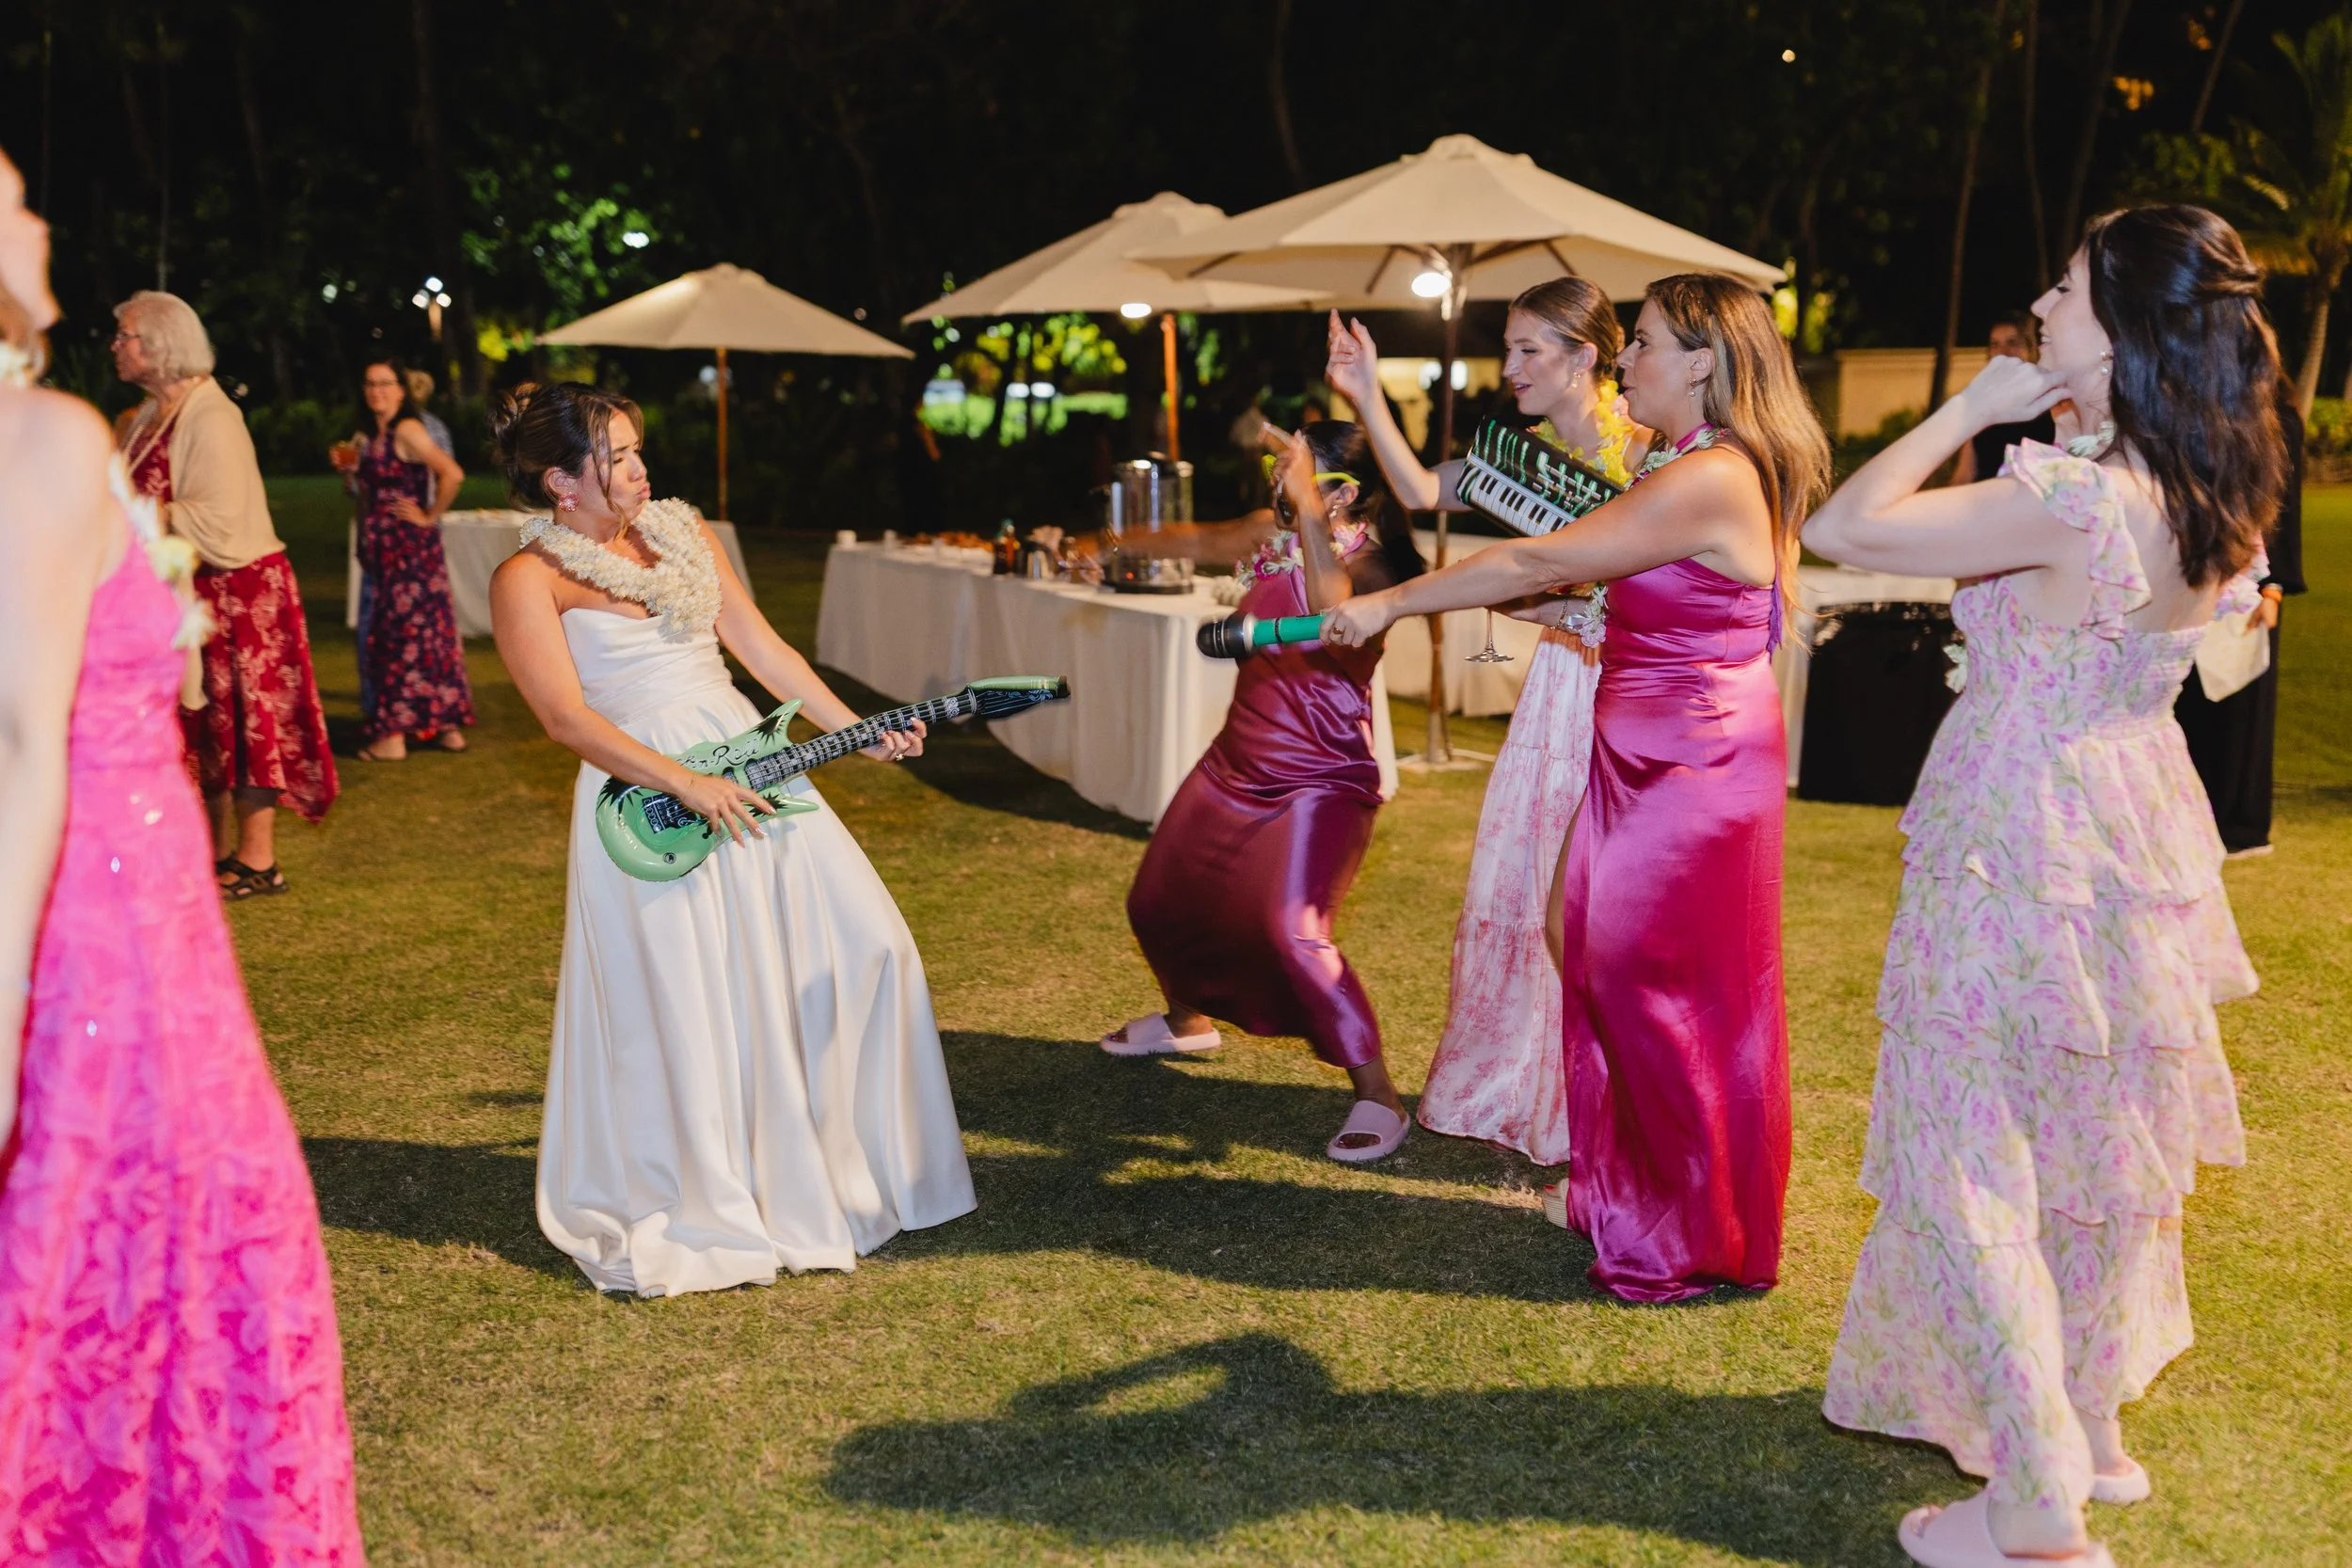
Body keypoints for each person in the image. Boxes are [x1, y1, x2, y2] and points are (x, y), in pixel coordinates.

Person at [1803, 206, 2281, 1568]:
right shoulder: (2206, 490)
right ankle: (2090, 1420)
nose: (2041, 303)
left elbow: (1848, 523)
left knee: (1970, 1158)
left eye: (2065, 289)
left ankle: (2035, 1502)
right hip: (2133, 828)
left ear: (2125, 328)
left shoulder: (2073, 494)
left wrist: (1973, 399)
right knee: (2092, 1130)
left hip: (2017, 830)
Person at [1325, 273, 1829, 1297]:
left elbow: (1536, 559)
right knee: (1583, 941)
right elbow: (1568, 579)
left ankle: (1682, 1218)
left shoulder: (1710, 474)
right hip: (1639, 741)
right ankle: (1627, 1179)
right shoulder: (1687, 459)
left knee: (1649, 984)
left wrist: (1390, 607)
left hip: (1690, 760)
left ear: (1699, 362)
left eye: (1639, 343)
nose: (1624, 358)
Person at [0, 148, 364, 1561]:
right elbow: (26, 742)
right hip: (112, 938)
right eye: (14, 193)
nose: (39, 216)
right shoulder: (41, 439)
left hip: (129, 919)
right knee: (153, 1269)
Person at [486, 381, 975, 1296]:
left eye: (636, 448)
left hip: (751, 761)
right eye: (616, 457)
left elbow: (768, 653)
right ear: (559, 480)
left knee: (868, 942)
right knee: (691, 995)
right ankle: (721, 1189)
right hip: (646, 799)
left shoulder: (684, 530)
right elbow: (562, 716)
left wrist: (855, 727)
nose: (638, 469)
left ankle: (840, 1167)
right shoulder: (529, 577)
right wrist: (684, 782)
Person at [1325, 282, 1650, 1168]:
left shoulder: (1657, 452)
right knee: (1534, 880)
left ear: (1587, 357)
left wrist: (1562, 601)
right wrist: (1366, 391)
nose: (1507, 369)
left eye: (1528, 351)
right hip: (1559, 691)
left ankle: (1610, 1102)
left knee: (1596, 903)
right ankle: (1530, 1081)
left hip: (1632, 694)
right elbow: (1421, 488)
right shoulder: (1523, 456)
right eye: (1505, 349)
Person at [1099, 421, 1427, 1163]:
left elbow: (1330, 610)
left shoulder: (1379, 565)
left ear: (1338, 492)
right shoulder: (1268, 531)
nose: (1275, 482)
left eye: (1292, 471)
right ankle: (1187, 1020)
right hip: (1235, 760)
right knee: (1157, 898)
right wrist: (1112, 542)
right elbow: (1200, 539)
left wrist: (1309, 506)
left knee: (1292, 931)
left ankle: (1378, 1095)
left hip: (1322, 779)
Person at [114, 289, 338, 899]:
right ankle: (212, 853)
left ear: (160, 344)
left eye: (126, 335)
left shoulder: (212, 415)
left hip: (238, 590)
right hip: (185, 591)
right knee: (205, 725)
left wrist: (129, 513)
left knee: (247, 721)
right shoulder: (143, 418)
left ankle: (259, 858)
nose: (115, 346)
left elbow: (215, 518)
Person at [2175, 391, 2304, 857]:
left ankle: (2235, 823)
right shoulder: (2188, 409)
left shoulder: (2277, 420)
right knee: (2186, 702)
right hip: (2189, 576)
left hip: (2249, 582)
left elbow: (2281, 511)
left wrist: (2273, 586)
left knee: (2237, 702)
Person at [332, 359, 472, 761]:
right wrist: (350, 473)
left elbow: (453, 474)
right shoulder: (373, 436)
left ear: (400, 390)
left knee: (397, 640)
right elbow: (365, 492)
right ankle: (447, 726)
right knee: (428, 636)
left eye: (384, 383)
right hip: (391, 552)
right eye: (369, 383)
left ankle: (391, 737)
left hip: (406, 553)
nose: (376, 390)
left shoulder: (407, 429)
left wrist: (430, 515)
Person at [1948, 311, 2057, 485]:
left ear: (2030, 349)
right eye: (1995, 345)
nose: (2003, 352)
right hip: (1984, 505)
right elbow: (1964, 475)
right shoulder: (1980, 407)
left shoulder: (2052, 403)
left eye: (2013, 342)